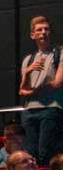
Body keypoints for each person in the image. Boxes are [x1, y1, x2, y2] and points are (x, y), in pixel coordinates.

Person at [20, 15, 63, 161]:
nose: (43, 32)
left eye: (46, 29)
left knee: (46, 153)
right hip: (29, 111)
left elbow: (57, 83)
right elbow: (22, 91)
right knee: (31, 154)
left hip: (51, 109)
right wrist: (27, 72)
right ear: (33, 35)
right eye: (39, 30)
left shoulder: (59, 53)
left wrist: (32, 92)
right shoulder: (28, 59)